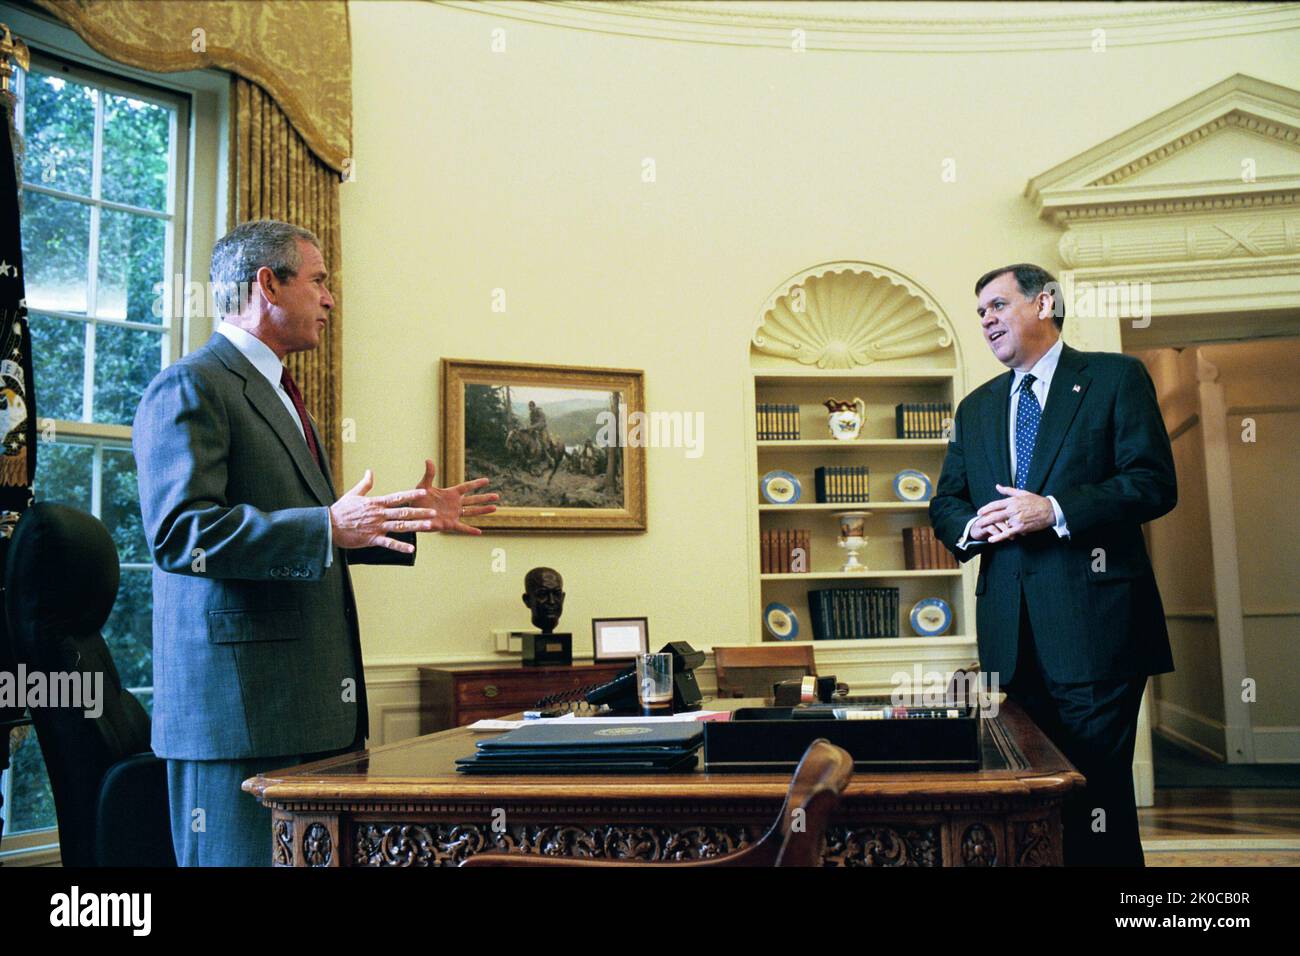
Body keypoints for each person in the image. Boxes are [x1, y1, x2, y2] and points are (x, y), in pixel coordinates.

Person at [133, 219, 498, 866]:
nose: (331, 300)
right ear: (267, 284)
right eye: (320, 281)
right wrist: (326, 525)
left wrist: (397, 518)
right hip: (241, 720)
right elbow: (180, 534)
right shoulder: (193, 385)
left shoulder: (278, 392)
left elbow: (306, 531)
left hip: (309, 713)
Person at [929, 263, 1176, 867]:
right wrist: (970, 526)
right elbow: (946, 499)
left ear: (1044, 304)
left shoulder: (1115, 378)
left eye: (996, 305)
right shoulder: (977, 407)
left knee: (1096, 793)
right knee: (1030, 799)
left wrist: (1057, 509)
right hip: (1011, 639)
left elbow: (1152, 484)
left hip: (1098, 630)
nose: (985, 319)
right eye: (979, 311)